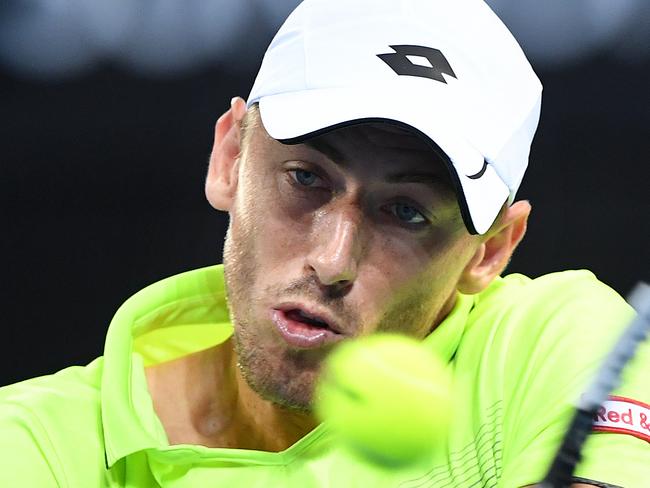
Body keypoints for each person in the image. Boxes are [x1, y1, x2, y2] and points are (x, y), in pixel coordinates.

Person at [1, 0, 647, 486]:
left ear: (491, 251)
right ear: (230, 157)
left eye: (406, 211)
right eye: (307, 178)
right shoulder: (35, 448)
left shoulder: (553, 346)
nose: (333, 261)